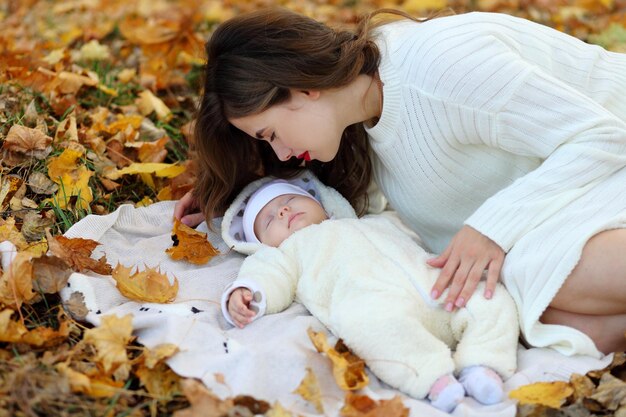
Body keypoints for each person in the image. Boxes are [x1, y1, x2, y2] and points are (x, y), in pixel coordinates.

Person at [174, 7, 626, 356]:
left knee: (532, 271)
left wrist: (491, 228)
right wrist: (238, 191)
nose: (282, 154)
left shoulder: (440, 68)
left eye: (270, 135)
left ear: (303, 87)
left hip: (611, 153)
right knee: (542, 314)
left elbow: (604, 134)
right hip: (573, 195)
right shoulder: (363, 128)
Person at [219, 172, 519, 412]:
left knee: (488, 296)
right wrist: (248, 292)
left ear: (322, 203)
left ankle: (482, 363)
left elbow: (418, 228)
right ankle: (431, 376)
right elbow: (268, 276)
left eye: (289, 200)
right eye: (269, 219)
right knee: (373, 329)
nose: (283, 210)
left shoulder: (372, 221)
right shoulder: (286, 253)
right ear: (261, 243)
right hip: (375, 304)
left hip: (436, 285)